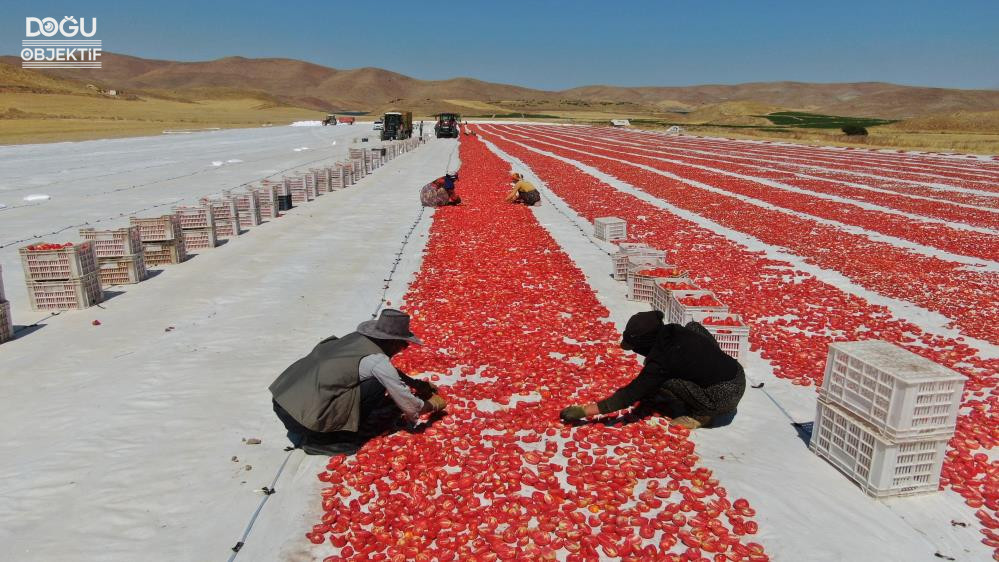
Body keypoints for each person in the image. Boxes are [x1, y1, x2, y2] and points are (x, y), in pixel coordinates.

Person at [269, 309, 447, 455]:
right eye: (403, 344)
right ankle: (325, 440)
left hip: (283, 401)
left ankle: (324, 429)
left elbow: (383, 370)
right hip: (303, 420)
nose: (404, 349)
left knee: (376, 380)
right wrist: (432, 405)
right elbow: (410, 406)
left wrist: (415, 384)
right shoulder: (377, 360)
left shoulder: (355, 339)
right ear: (392, 342)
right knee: (377, 385)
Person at [559, 311, 746, 429]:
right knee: (694, 328)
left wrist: (585, 411)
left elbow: (631, 393)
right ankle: (707, 379)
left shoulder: (663, 361)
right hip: (737, 373)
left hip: (723, 396)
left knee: (666, 382)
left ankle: (700, 416)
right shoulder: (675, 330)